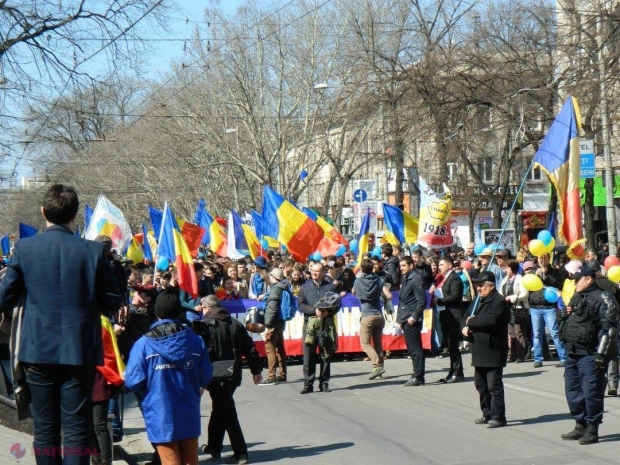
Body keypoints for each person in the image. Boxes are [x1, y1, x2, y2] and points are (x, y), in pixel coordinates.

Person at [0, 184, 122, 464]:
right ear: (75, 215)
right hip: (79, 350)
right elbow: (112, 300)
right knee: (78, 428)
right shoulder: (92, 251)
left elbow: (4, 296)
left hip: (37, 350)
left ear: (43, 212)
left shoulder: (25, 248)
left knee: (44, 429)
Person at [124, 286, 213, 465]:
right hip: (189, 411)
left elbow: (133, 381)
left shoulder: (144, 344)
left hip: (160, 413)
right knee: (190, 461)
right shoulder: (196, 340)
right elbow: (206, 376)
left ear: (157, 313)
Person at [199, 295, 263, 464]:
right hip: (233, 372)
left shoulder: (205, 326)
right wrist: (256, 370)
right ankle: (214, 446)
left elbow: (200, 353)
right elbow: (250, 348)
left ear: (207, 308)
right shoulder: (234, 323)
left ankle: (240, 453)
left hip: (216, 373)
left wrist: (198, 379)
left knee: (227, 413)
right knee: (220, 408)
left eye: (202, 307)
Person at [559, 264, 619, 444]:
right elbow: (568, 320)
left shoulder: (604, 297)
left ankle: (592, 428)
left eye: (578, 280)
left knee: (591, 392)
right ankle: (580, 425)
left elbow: (609, 330)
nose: (575, 283)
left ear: (588, 279)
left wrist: (601, 354)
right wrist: (563, 315)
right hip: (572, 351)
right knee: (572, 391)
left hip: (590, 353)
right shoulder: (577, 297)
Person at [461, 271, 511, 428]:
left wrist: (472, 322)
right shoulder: (477, 300)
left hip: (493, 349)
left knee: (493, 386)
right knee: (480, 385)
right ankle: (486, 412)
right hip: (479, 349)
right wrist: (464, 327)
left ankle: (499, 416)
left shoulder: (499, 301)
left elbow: (491, 320)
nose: (478, 288)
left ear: (490, 286)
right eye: (477, 285)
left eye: (481, 285)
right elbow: (466, 317)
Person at [297, 263, 337, 394]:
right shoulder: (304, 287)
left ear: (323, 272)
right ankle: (308, 384)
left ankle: (324, 383)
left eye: (317, 271)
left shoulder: (330, 287)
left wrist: (328, 313)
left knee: (325, 355)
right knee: (309, 356)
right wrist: (314, 310)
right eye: (312, 271)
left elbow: (337, 304)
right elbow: (301, 305)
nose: (314, 273)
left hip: (325, 325)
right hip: (309, 326)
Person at [585, 259, 620, 397]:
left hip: (593, 323)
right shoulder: (612, 284)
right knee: (612, 354)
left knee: (596, 353)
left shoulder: (589, 285)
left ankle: (598, 384)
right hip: (611, 323)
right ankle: (613, 384)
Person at [353, 258, 391, 380]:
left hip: (367, 316)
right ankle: (378, 370)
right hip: (379, 315)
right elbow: (389, 295)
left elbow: (353, 292)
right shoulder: (379, 280)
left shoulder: (358, 281)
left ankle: (377, 364)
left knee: (364, 343)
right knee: (378, 344)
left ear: (362, 269)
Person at [528, 253, 567, 368]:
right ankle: (538, 358)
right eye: (540, 258)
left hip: (549, 306)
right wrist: (536, 276)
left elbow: (559, 285)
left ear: (548, 259)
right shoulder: (532, 271)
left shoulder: (554, 271)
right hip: (535, 306)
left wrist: (547, 275)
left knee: (555, 333)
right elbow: (527, 286)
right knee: (537, 334)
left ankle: (563, 357)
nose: (542, 260)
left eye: (544, 258)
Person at [397, 256, 427, 386]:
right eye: (401, 266)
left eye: (404, 266)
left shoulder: (415, 278)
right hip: (405, 317)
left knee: (416, 349)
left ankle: (419, 376)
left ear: (411, 265)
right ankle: (416, 373)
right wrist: (399, 319)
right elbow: (403, 300)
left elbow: (421, 301)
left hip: (411, 318)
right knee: (411, 349)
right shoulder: (406, 278)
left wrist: (413, 317)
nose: (401, 268)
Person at [435, 256, 465, 383]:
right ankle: (452, 372)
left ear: (449, 265)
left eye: (442, 264)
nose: (439, 266)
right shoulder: (444, 278)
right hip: (445, 314)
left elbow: (454, 296)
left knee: (454, 346)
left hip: (453, 316)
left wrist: (439, 301)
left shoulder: (455, 279)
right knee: (449, 346)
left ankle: (458, 373)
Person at [260, 268, 289, 385]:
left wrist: (267, 325)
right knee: (280, 349)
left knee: (270, 349)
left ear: (273, 277)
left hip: (273, 323)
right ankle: (282, 374)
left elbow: (272, 308)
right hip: (280, 322)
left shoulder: (275, 289)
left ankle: (271, 376)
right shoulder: (284, 287)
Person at [500, 260, 529, 363]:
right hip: (507, 309)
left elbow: (524, 294)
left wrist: (511, 298)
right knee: (510, 333)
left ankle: (521, 355)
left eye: (507, 268)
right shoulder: (505, 280)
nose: (505, 270)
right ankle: (512, 355)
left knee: (519, 332)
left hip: (518, 309)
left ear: (512, 268)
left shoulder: (520, 280)